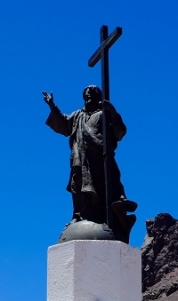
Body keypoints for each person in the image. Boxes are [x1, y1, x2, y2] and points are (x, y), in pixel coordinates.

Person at [43, 86, 137, 243]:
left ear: (97, 97)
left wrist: (112, 113)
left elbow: (119, 133)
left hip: (99, 158)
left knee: (102, 186)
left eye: (90, 96)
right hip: (80, 158)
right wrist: (52, 105)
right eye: (85, 96)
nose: (87, 98)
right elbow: (65, 124)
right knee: (77, 185)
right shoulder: (78, 115)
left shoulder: (103, 114)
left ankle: (105, 215)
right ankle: (78, 214)